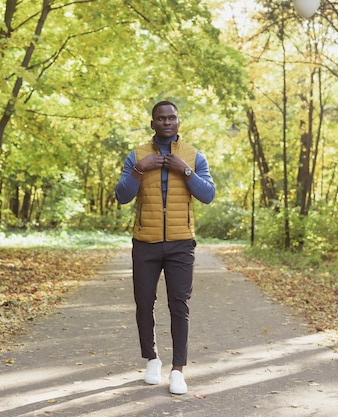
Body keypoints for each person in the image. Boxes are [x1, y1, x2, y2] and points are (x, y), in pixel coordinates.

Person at [114, 101, 215, 395]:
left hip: (181, 243)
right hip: (145, 243)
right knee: (144, 304)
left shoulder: (194, 157)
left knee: (179, 306)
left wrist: (185, 171)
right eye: (161, 118)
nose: (167, 122)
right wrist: (138, 171)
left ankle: (177, 370)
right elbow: (122, 196)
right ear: (153, 124)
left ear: (178, 122)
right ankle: (152, 360)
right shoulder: (137, 156)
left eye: (172, 118)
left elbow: (208, 195)